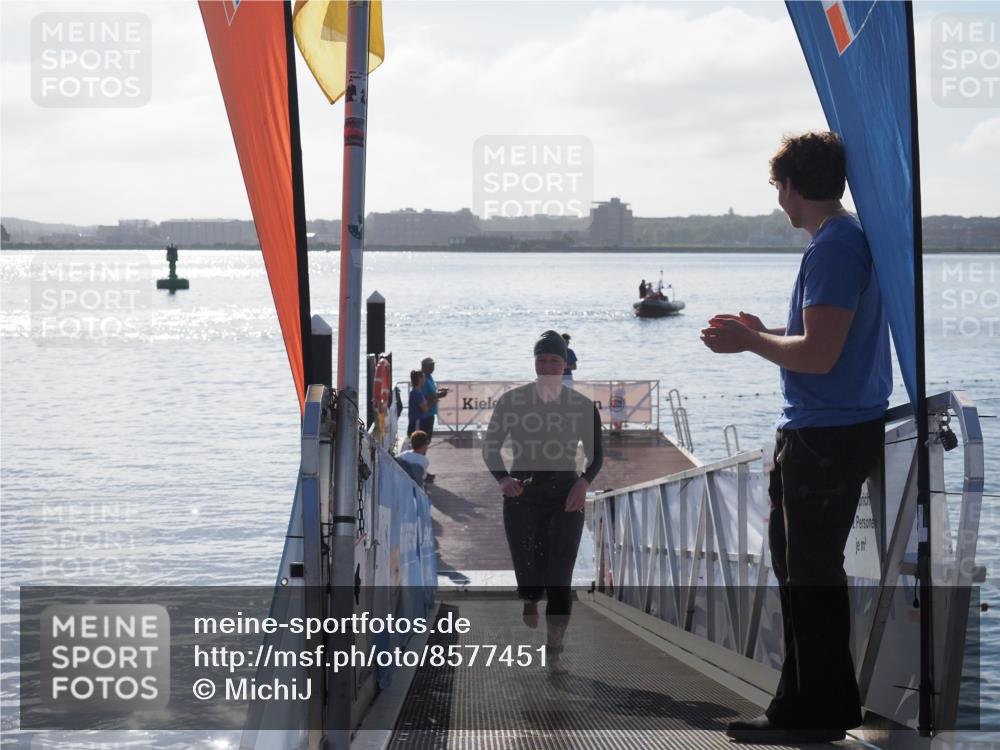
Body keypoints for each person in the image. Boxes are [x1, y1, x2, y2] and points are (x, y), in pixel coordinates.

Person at [701, 131, 890, 744]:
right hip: (828, 431)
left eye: (777, 187)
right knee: (804, 573)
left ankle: (812, 714)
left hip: (827, 437)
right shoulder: (842, 241)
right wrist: (767, 331)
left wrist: (751, 342)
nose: (777, 200)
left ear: (792, 186)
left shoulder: (834, 248)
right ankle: (810, 707)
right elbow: (819, 337)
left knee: (808, 575)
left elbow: (819, 354)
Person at [481, 330, 603, 673]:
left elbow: (596, 457)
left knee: (560, 578)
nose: (548, 365)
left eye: (554, 359)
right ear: (534, 362)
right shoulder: (513, 401)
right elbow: (490, 448)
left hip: (566, 496)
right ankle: (530, 598)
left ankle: (554, 650)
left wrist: (584, 482)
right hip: (523, 496)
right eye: (542, 359)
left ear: (565, 364)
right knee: (529, 569)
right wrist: (503, 479)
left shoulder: (580, 406)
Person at [418, 357, 448, 442]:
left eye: (433, 366)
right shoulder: (422, 378)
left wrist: (439, 392)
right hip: (424, 415)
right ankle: (421, 454)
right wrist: (438, 395)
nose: (432, 368)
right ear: (424, 367)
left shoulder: (429, 377)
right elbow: (422, 397)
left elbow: (431, 392)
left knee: (427, 438)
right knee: (423, 439)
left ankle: (423, 453)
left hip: (430, 413)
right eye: (430, 366)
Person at [407, 370, 430, 438]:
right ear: (419, 379)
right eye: (423, 377)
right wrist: (432, 402)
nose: (424, 379)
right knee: (418, 441)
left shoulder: (418, 392)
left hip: (419, 422)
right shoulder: (416, 393)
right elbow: (424, 409)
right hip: (417, 422)